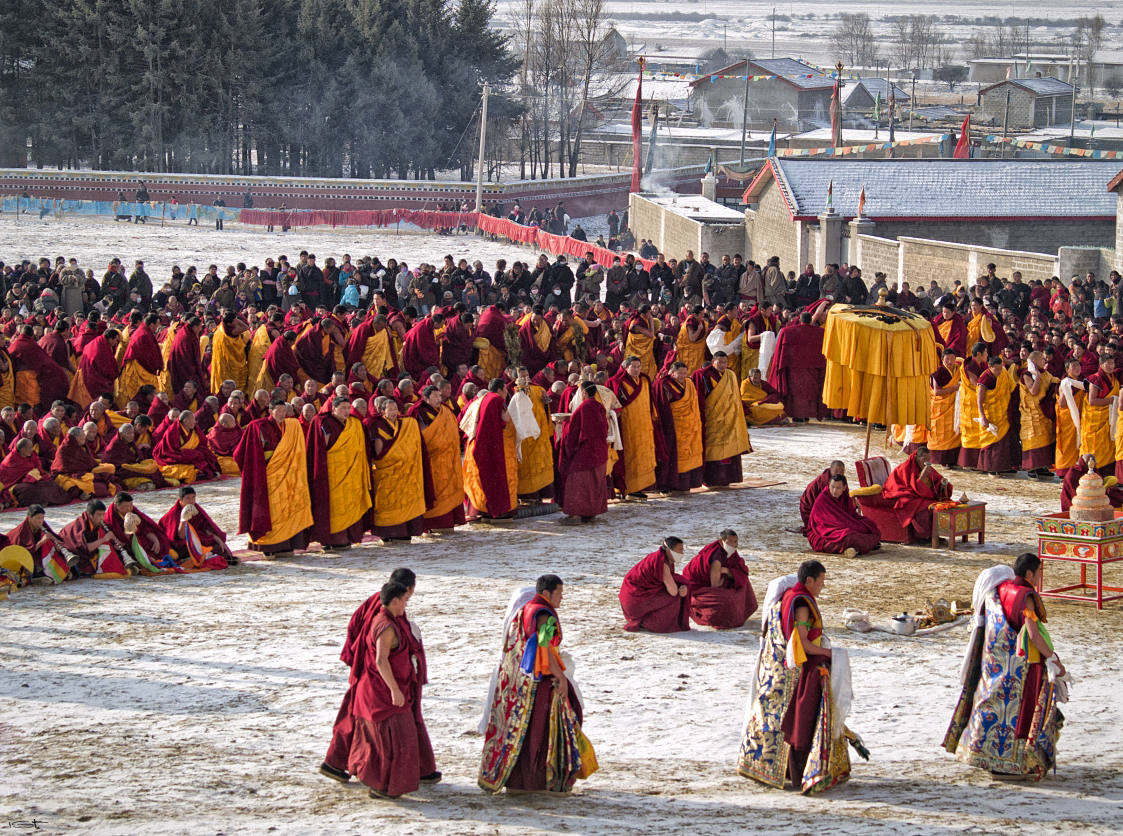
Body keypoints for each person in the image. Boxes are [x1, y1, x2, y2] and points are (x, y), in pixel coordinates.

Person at [738, 560, 861, 794]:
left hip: (776, 670)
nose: (823, 586)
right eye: (821, 581)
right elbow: (802, 644)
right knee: (801, 721)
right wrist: (833, 654)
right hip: (800, 671)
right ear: (809, 581)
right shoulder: (802, 603)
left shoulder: (785, 599)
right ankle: (807, 771)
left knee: (776, 720)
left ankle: (773, 768)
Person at [944, 554, 1067, 779]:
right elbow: (1032, 632)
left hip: (994, 664)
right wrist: (1053, 659)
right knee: (1020, 715)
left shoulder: (1000, 591)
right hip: (1022, 668)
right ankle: (1016, 764)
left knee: (992, 709)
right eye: (1039, 572)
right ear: (1029, 574)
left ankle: (987, 757)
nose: (1040, 577)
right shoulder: (1026, 596)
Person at [321, 569, 438, 789]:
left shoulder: (379, 603)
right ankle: (344, 764)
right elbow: (380, 654)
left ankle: (422, 768)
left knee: (363, 718)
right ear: (407, 590)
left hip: (369, 671)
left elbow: (353, 628)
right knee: (375, 724)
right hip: (375, 675)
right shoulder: (385, 613)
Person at [478, 575, 594, 794]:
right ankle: (540, 782)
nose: (561, 598)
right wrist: (560, 677)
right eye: (558, 593)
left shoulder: (525, 609)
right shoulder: (543, 614)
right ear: (546, 594)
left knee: (523, 731)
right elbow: (544, 647)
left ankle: (517, 784)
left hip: (519, 682)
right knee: (541, 732)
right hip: (541, 682)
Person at [234, 399, 313, 556]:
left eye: (284, 411)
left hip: (288, 476)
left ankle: (287, 544)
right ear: (270, 411)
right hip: (268, 475)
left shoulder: (292, 427)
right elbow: (240, 454)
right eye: (278, 410)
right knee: (272, 509)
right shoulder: (258, 426)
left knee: (288, 509)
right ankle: (270, 546)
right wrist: (256, 470)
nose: (282, 414)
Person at [307, 396, 372, 550]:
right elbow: (321, 450)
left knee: (350, 504)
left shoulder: (354, 424)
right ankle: (333, 538)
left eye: (348, 408)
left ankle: (349, 536)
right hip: (333, 473)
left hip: (352, 473)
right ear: (333, 408)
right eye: (342, 408)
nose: (346, 411)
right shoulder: (325, 423)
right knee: (334, 506)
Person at [367, 399, 426, 543]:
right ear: (383, 412)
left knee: (404, 500)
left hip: (404, 471)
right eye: (390, 409)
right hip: (387, 470)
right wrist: (390, 462)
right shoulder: (378, 425)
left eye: (395, 409)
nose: (394, 412)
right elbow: (380, 453)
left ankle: (404, 531)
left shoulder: (404, 425)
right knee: (389, 500)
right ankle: (389, 532)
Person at [407, 386, 466, 532]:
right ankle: (433, 524)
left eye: (439, 396)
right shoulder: (419, 411)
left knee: (449, 489)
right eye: (435, 396)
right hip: (431, 460)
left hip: (449, 458)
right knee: (435, 490)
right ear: (426, 398)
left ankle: (449, 521)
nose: (439, 399)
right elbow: (420, 437)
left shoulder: (445, 411)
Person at [692, 351, 752, 487]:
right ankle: (711, 480)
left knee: (730, 446)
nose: (723, 365)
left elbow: (736, 398)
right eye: (720, 362)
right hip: (712, 418)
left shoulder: (730, 375)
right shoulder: (702, 375)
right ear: (713, 361)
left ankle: (727, 478)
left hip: (730, 418)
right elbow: (698, 399)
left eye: (725, 362)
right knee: (713, 448)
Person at [461, 380, 518, 520]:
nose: (506, 393)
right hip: (489, 443)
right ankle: (496, 509)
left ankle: (482, 510)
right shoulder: (496, 399)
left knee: (481, 477)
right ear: (499, 389)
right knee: (494, 476)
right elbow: (504, 419)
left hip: (477, 442)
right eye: (505, 390)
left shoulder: (483, 398)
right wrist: (516, 405)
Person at [680, 529, 757, 630]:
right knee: (725, 599)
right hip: (696, 589)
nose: (734, 545)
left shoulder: (729, 552)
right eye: (730, 541)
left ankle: (737, 614)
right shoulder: (716, 556)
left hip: (714, 582)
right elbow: (714, 587)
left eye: (736, 541)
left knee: (743, 581)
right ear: (721, 541)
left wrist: (728, 571)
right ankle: (711, 616)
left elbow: (739, 571)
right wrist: (719, 595)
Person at [556, 381, 609, 525]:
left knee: (578, 483)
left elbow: (573, 431)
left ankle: (575, 515)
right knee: (594, 482)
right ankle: (590, 513)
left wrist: (563, 423)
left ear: (584, 392)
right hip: (599, 451)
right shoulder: (600, 406)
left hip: (585, 453)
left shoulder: (582, 408)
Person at [608, 355, 660, 499]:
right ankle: (627, 488)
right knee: (629, 456)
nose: (637, 370)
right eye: (634, 367)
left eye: (639, 366)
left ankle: (641, 487)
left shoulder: (645, 380)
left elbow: (651, 402)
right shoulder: (615, 382)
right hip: (627, 426)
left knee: (643, 456)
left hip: (644, 425)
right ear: (626, 367)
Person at [618, 537, 692, 633]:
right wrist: (682, 588)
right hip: (634, 603)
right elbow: (673, 591)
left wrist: (682, 585)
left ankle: (645, 619)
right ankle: (650, 623)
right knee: (675, 598)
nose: (682, 554)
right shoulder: (662, 562)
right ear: (669, 551)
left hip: (628, 601)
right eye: (679, 551)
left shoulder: (660, 557)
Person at [881, 447, 953, 541]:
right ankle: (924, 536)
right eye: (924, 460)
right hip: (904, 495)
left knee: (943, 504)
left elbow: (937, 479)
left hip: (921, 495)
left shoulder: (926, 467)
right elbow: (905, 488)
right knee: (924, 507)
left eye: (929, 460)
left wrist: (943, 485)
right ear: (916, 458)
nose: (927, 463)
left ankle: (935, 534)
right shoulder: (905, 468)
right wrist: (922, 478)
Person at [654, 361, 704, 492]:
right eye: (680, 373)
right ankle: (669, 484)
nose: (683, 376)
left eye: (685, 373)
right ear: (672, 372)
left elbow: (694, 404)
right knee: (673, 456)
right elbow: (661, 407)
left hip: (689, 426)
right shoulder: (663, 384)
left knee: (688, 455)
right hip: (673, 426)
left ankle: (685, 484)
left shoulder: (689, 384)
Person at [767, 312, 826, 422]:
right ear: (810, 320)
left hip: (793, 368)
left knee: (796, 392)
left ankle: (798, 415)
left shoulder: (787, 331)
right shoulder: (821, 332)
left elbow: (780, 353)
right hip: (814, 367)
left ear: (800, 320)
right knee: (810, 391)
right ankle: (807, 414)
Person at [159, 485, 235, 569]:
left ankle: (218, 557)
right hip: (181, 545)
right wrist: (183, 520)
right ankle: (202, 558)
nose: (191, 501)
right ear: (180, 500)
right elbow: (181, 536)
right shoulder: (174, 513)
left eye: (193, 497)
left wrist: (220, 541)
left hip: (198, 540)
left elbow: (205, 528)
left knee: (218, 546)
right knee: (188, 550)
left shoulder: (195, 509)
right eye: (188, 498)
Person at [58, 499, 137, 578]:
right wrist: (103, 539)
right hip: (73, 556)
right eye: (99, 515)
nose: (102, 518)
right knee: (94, 567)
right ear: (89, 515)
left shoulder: (97, 524)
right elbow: (85, 548)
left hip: (92, 554)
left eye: (103, 514)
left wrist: (115, 546)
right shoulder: (80, 527)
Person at [805, 474, 880, 557]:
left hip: (841, 529)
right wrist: (859, 528)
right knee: (852, 537)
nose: (834, 491)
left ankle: (855, 549)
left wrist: (863, 526)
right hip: (823, 536)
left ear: (844, 488)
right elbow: (837, 522)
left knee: (873, 528)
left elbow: (851, 516)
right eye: (832, 487)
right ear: (829, 485)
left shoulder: (845, 498)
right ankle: (859, 547)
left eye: (838, 488)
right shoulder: (823, 500)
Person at [1018, 350, 1056, 480]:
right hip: (1030, 414)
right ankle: (1033, 468)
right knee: (1033, 439)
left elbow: (1055, 381)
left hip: (1042, 413)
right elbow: (1033, 391)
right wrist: (1038, 376)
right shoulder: (1026, 374)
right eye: (1042, 359)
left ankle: (1043, 467)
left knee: (1045, 440)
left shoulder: (1046, 373)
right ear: (1034, 361)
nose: (1045, 361)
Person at [976, 355, 1017, 475]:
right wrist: (983, 417)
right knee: (992, 442)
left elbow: (1011, 387)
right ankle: (991, 467)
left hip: (1002, 412)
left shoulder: (1003, 374)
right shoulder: (984, 379)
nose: (999, 371)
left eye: (1000, 368)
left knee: (1003, 441)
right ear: (990, 367)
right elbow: (979, 399)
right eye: (996, 369)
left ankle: (1003, 466)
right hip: (991, 413)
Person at [1080, 353, 1118, 476]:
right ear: (1101, 365)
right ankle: (1092, 473)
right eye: (1108, 363)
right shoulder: (1095, 379)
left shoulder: (1114, 378)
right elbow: (1092, 401)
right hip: (1095, 420)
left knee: (1108, 446)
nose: (1111, 366)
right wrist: (1113, 400)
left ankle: (1107, 475)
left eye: (1112, 363)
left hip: (1109, 419)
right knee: (1095, 447)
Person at [928, 349, 962, 466]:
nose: (950, 361)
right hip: (940, 406)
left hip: (953, 407)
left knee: (953, 430)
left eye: (952, 358)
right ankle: (940, 459)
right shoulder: (937, 372)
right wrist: (954, 388)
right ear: (942, 360)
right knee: (940, 432)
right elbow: (937, 392)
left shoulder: (958, 370)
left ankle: (952, 460)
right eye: (947, 359)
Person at [800, 460, 845, 531]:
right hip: (810, 510)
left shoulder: (841, 480)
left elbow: (844, 498)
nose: (838, 474)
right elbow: (825, 504)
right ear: (830, 470)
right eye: (836, 471)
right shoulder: (824, 482)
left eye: (841, 471)